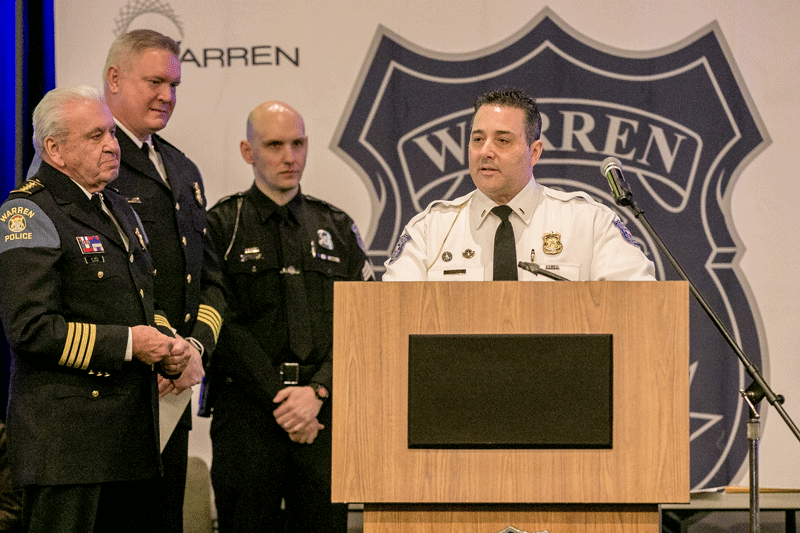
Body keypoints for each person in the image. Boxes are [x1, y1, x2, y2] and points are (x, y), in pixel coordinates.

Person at [0, 85, 191, 532]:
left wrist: (167, 343)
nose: (112, 145)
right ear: (54, 149)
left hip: (129, 442)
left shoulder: (119, 208)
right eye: (95, 136)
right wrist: (130, 344)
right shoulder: (28, 212)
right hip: (67, 451)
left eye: (111, 132)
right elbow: (30, 328)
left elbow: (141, 301)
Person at [206, 101, 374, 532]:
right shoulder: (221, 226)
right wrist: (283, 398)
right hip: (247, 415)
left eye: (298, 144)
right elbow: (219, 324)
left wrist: (316, 391)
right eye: (275, 145)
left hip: (322, 414)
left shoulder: (336, 226)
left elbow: (364, 323)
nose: (290, 157)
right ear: (248, 151)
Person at [102, 29, 226, 531]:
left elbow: (209, 278)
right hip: (115, 390)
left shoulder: (181, 168)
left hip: (173, 387)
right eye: (154, 82)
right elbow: (97, 277)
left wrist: (193, 349)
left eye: (173, 85)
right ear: (114, 79)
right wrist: (162, 346)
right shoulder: (89, 159)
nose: (167, 96)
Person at [383, 87, 656, 281]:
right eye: (478, 139)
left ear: (534, 152)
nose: (485, 151)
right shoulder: (429, 230)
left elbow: (640, 302)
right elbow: (389, 312)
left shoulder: (589, 223)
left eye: (502, 140)